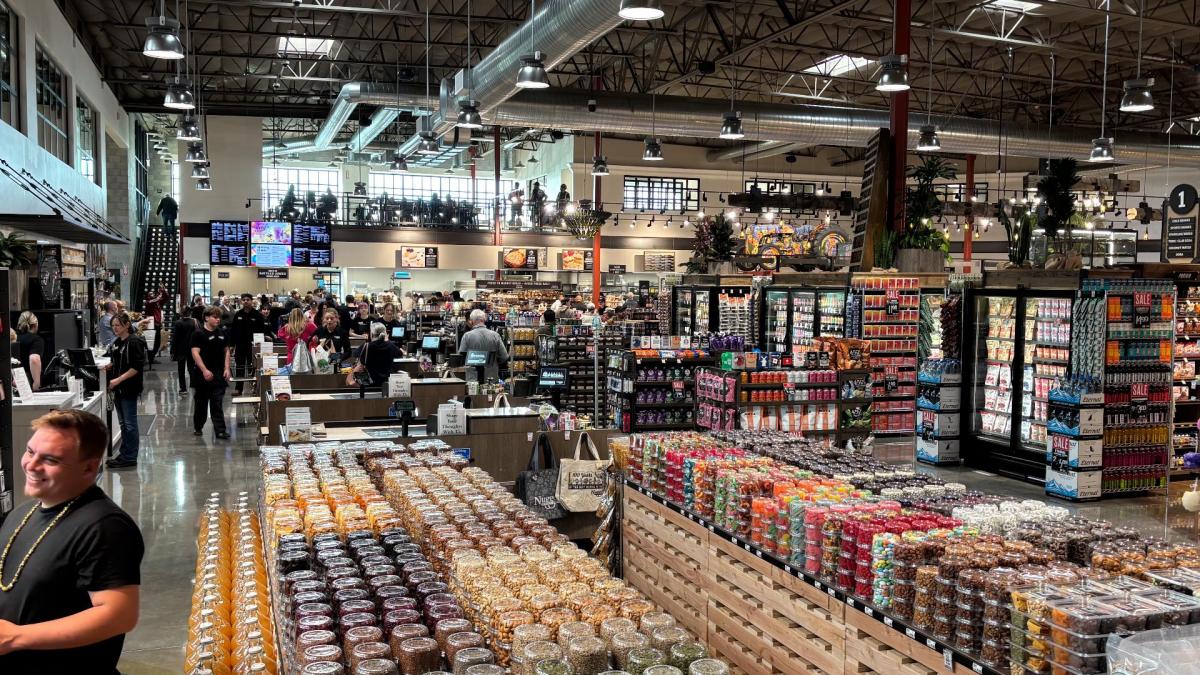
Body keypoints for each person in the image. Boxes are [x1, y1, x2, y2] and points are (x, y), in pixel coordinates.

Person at [0, 410, 143, 671]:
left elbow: (119, 615)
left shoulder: (104, 526)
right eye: (30, 452)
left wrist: (15, 637)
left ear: (89, 467)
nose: (31, 465)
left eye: (50, 460)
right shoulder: (22, 514)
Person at [102, 313, 147, 470]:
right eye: (113, 325)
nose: (115, 328)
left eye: (118, 325)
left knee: (130, 423)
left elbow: (136, 367)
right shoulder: (118, 342)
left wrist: (118, 380)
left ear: (127, 325)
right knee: (123, 424)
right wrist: (111, 367)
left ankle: (130, 456)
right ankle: (124, 453)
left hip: (128, 388)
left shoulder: (134, 342)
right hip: (118, 388)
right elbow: (118, 361)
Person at [190, 306, 231, 439]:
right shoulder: (198, 333)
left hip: (218, 374)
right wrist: (204, 370)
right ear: (207, 317)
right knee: (201, 403)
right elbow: (195, 353)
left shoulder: (222, 333)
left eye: (219, 317)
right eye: (215, 317)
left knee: (217, 402)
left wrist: (227, 368)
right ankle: (198, 426)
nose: (218, 319)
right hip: (202, 375)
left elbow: (227, 351)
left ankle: (220, 430)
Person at [229, 293, 270, 395]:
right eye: (244, 300)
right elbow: (233, 331)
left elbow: (262, 331)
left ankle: (254, 389)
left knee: (253, 367)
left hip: (253, 346)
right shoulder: (238, 315)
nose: (246, 301)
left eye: (248, 299)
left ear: (252, 301)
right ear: (241, 302)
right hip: (240, 346)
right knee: (240, 367)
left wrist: (260, 345)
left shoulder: (257, 315)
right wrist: (231, 345)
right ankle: (239, 389)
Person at [347, 323, 401, 394]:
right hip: (387, 385)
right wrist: (387, 340)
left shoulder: (366, 346)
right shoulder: (390, 345)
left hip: (369, 385)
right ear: (385, 333)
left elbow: (355, 355)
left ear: (371, 334)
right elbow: (400, 354)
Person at [457, 308, 509, 380]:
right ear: (484, 320)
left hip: (473, 379)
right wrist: (494, 362)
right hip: (491, 378)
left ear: (472, 321)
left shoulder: (467, 336)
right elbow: (504, 357)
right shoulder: (495, 335)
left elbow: (461, 357)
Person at [170, 304, 199, 394]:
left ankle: (183, 389)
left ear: (182, 313)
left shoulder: (178, 323)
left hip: (180, 350)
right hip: (191, 349)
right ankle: (193, 384)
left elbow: (175, 338)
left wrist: (172, 351)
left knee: (181, 370)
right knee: (191, 368)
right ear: (190, 313)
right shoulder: (194, 322)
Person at [15, 312, 44, 392]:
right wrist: (36, 383)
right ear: (35, 325)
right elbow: (34, 359)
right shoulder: (36, 340)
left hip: (14, 381)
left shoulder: (14, 338)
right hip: (27, 382)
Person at [143, 285, 168, 367]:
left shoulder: (157, 302)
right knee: (151, 342)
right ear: (147, 296)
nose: (152, 294)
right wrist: (160, 294)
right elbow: (156, 299)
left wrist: (163, 291)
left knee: (157, 343)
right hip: (150, 324)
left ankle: (151, 357)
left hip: (156, 323)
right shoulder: (148, 302)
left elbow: (166, 298)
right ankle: (150, 359)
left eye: (153, 293)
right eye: (150, 294)